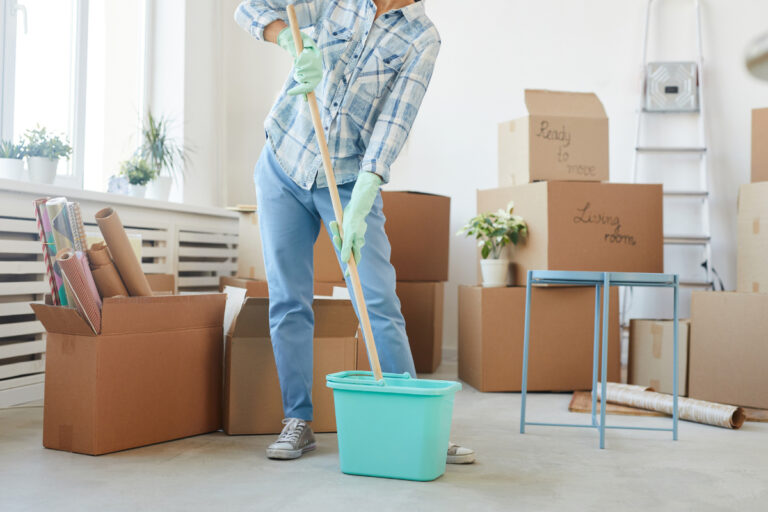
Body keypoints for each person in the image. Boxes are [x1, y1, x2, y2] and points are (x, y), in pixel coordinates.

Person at [235, 0, 474, 464]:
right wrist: (287, 36)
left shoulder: (421, 38)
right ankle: (298, 420)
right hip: (284, 158)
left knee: (378, 301)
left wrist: (365, 192)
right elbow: (249, 9)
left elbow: (394, 122)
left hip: (346, 179)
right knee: (289, 299)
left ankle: (414, 422)